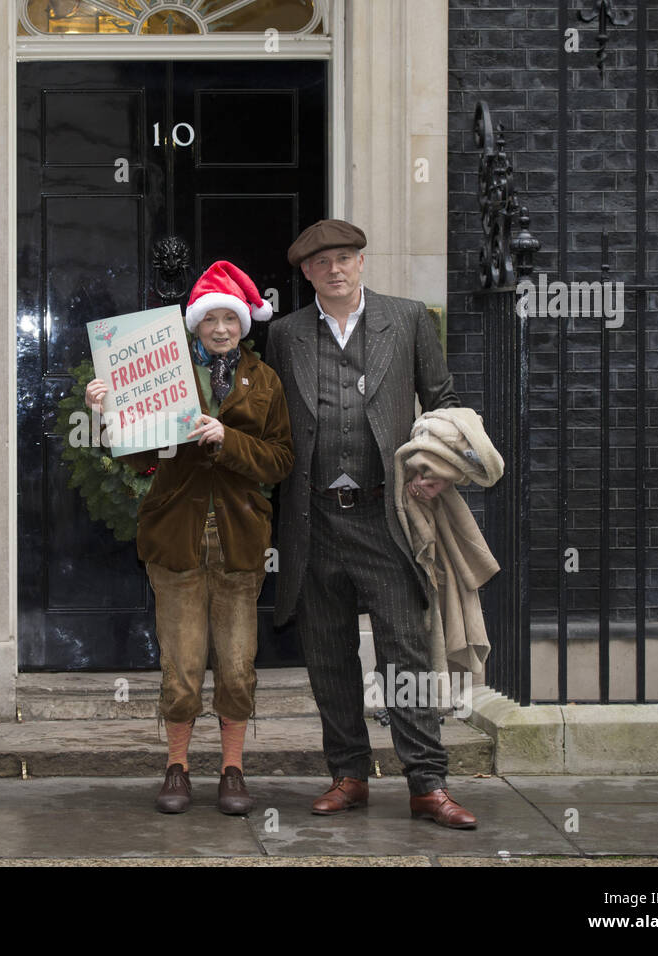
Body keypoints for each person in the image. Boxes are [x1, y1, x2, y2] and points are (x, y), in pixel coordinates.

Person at [264, 219, 479, 829]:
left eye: (346, 258)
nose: (335, 269)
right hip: (315, 520)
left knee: (405, 654)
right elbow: (268, 413)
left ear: (362, 262)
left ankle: (427, 784)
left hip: (387, 516)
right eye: (322, 262)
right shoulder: (285, 335)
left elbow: (443, 404)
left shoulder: (409, 319)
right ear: (306, 273)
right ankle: (349, 775)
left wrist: (440, 467)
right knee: (328, 655)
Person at [86, 261, 293, 815]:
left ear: (243, 323)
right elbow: (135, 453)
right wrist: (107, 413)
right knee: (180, 664)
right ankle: (176, 768)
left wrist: (228, 438)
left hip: (240, 542)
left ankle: (232, 770)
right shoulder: (168, 374)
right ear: (195, 325)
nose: (221, 328)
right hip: (175, 538)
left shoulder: (265, 380)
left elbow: (279, 460)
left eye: (230, 318)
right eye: (211, 319)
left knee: (236, 663)